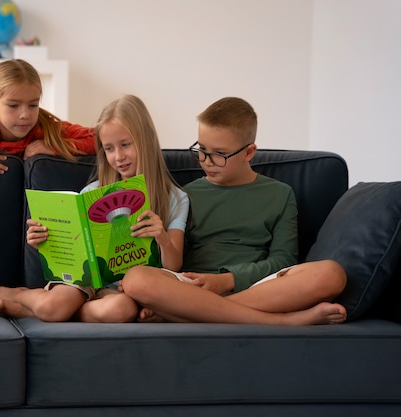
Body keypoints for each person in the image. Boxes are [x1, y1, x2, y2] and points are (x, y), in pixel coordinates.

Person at [120, 96, 348, 326]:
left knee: (331, 274)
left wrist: (227, 280)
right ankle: (279, 321)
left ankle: (193, 313)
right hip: (191, 286)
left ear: (249, 152)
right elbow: (174, 261)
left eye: (219, 154)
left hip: (257, 286)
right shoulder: (185, 195)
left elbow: (282, 259)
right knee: (136, 279)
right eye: (202, 150)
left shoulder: (280, 194)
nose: (206, 161)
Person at [0, 94, 190, 322]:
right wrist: (43, 241)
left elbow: (174, 265)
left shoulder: (175, 198)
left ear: (147, 140)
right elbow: (72, 253)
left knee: (121, 310)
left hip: (124, 293)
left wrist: (162, 237)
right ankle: (18, 295)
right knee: (55, 306)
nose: (119, 157)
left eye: (125, 145)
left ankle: (30, 311)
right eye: (109, 149)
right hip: (83, 282)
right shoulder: (93, 193)